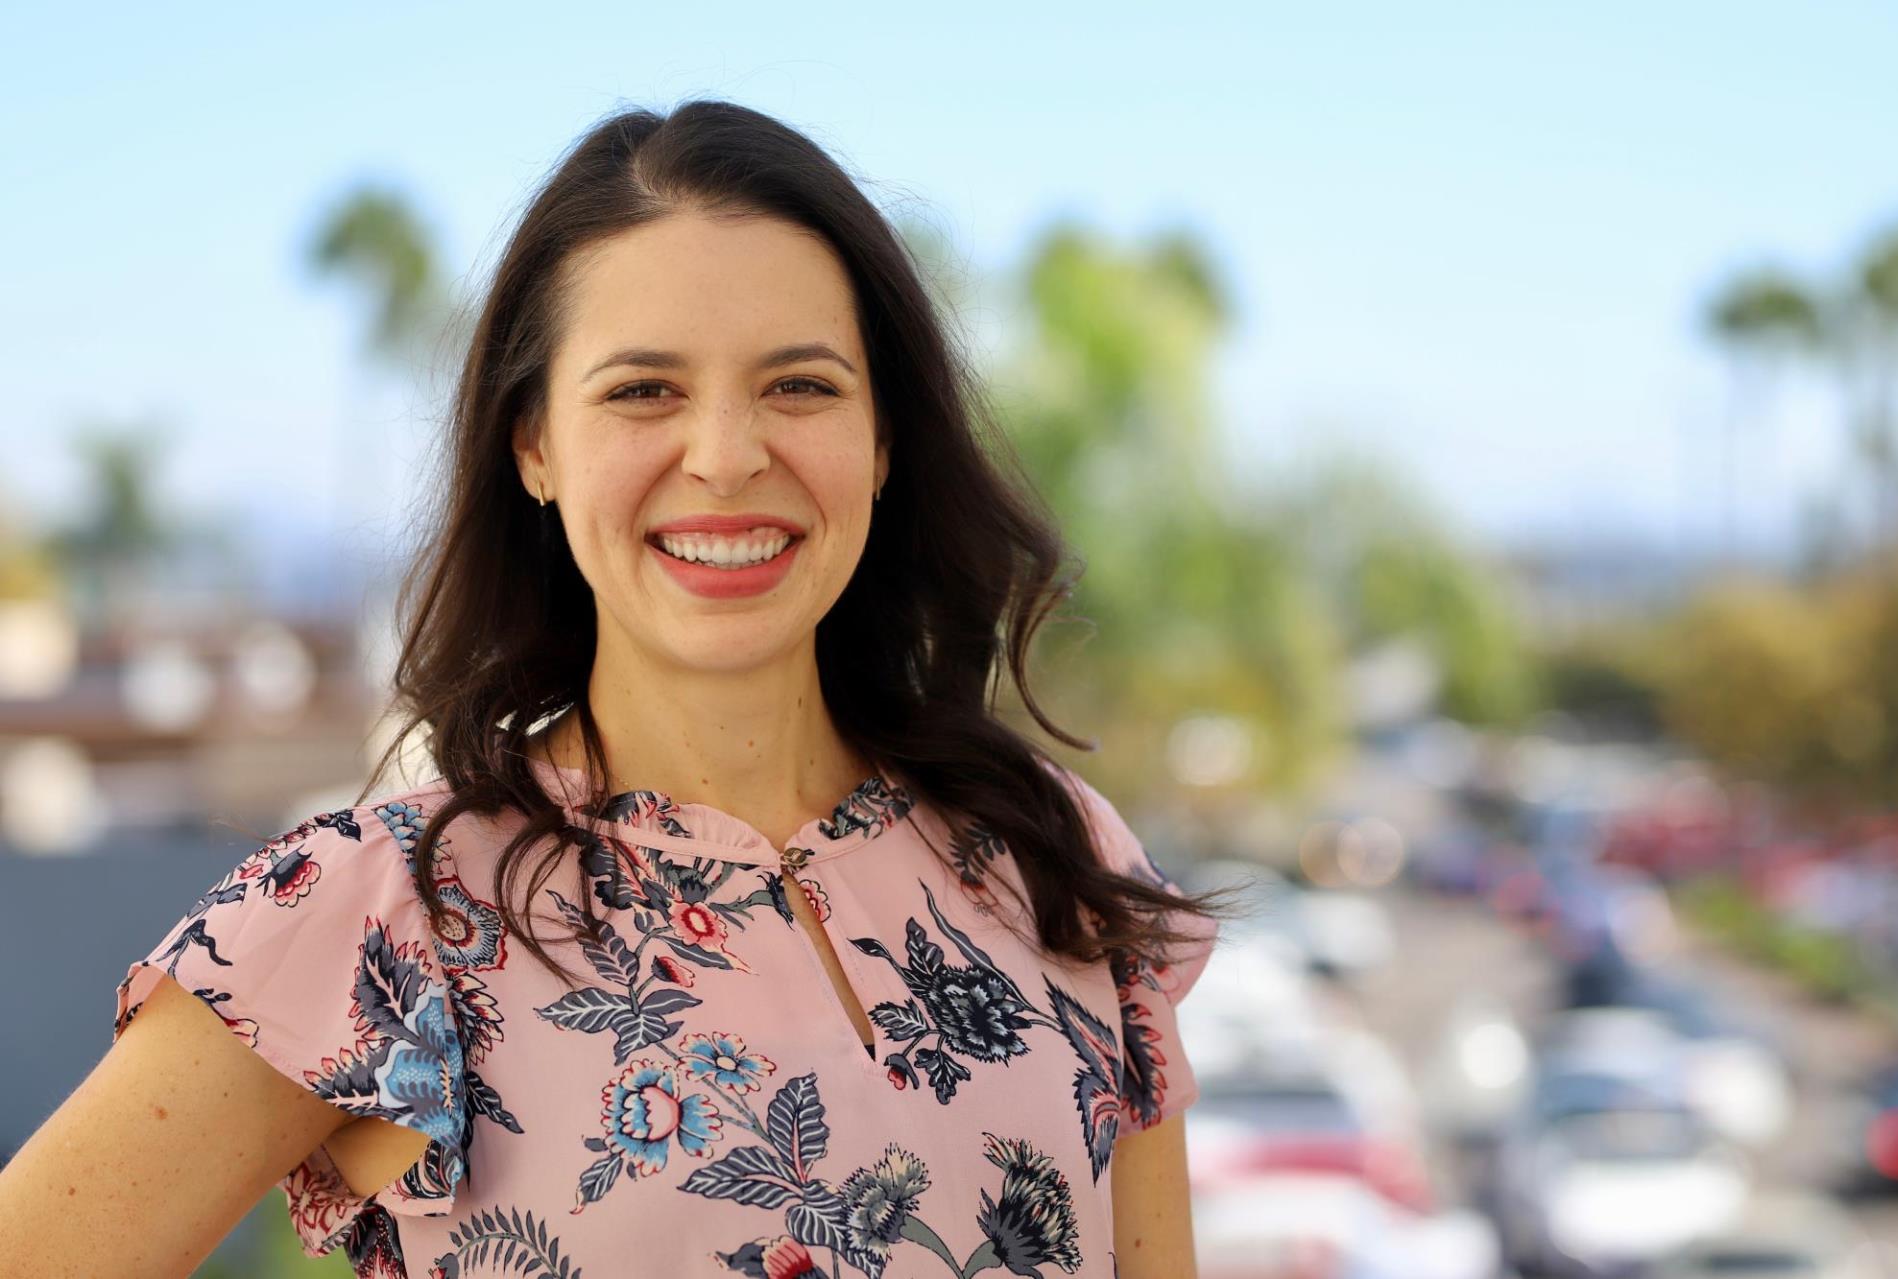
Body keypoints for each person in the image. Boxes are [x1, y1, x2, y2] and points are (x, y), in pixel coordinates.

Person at [0, 99, 1232, 1278]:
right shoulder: (377, 916)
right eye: (644, 389)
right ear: (533, 442)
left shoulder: (1053, 858)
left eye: (800, 384)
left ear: (885, 439)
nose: (727, 454)